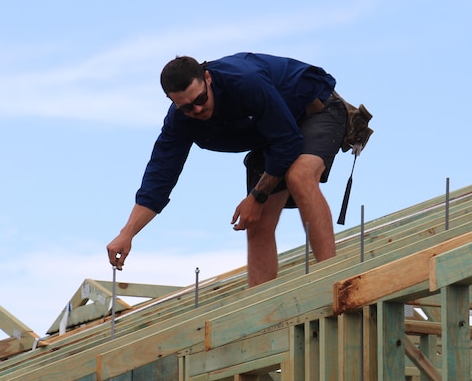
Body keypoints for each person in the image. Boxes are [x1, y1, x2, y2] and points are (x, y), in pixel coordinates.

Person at [106, 52, 348, 287]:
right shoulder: (179, 122)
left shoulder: (245, 81)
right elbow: (159, 177)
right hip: (271, 136)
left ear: (208, 79)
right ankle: (261, 310)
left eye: (201, 99)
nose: (197, 110)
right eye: (187, 107)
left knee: (299, 176)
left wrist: (257, 195)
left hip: (314, 109)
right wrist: (127, 233)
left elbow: (288, 142)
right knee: (256, 220)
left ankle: (331, 279)